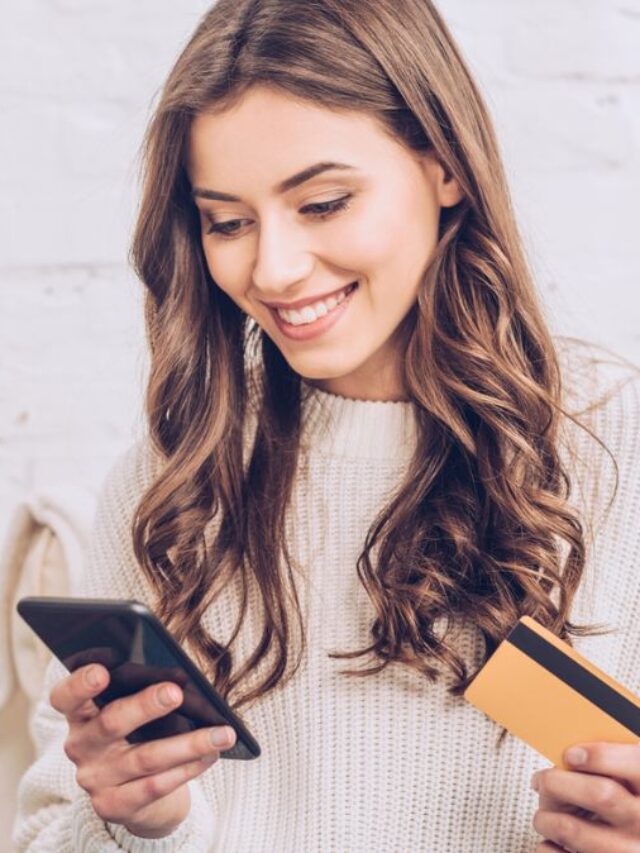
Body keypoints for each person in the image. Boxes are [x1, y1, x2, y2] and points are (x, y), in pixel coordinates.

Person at [12, 0, 640, 851]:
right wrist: (140, 825)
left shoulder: (612, 449)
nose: (271, 267)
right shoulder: (175, 479)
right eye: (227, 222)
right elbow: (48, 831)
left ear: (445, 166)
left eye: (323, 202)